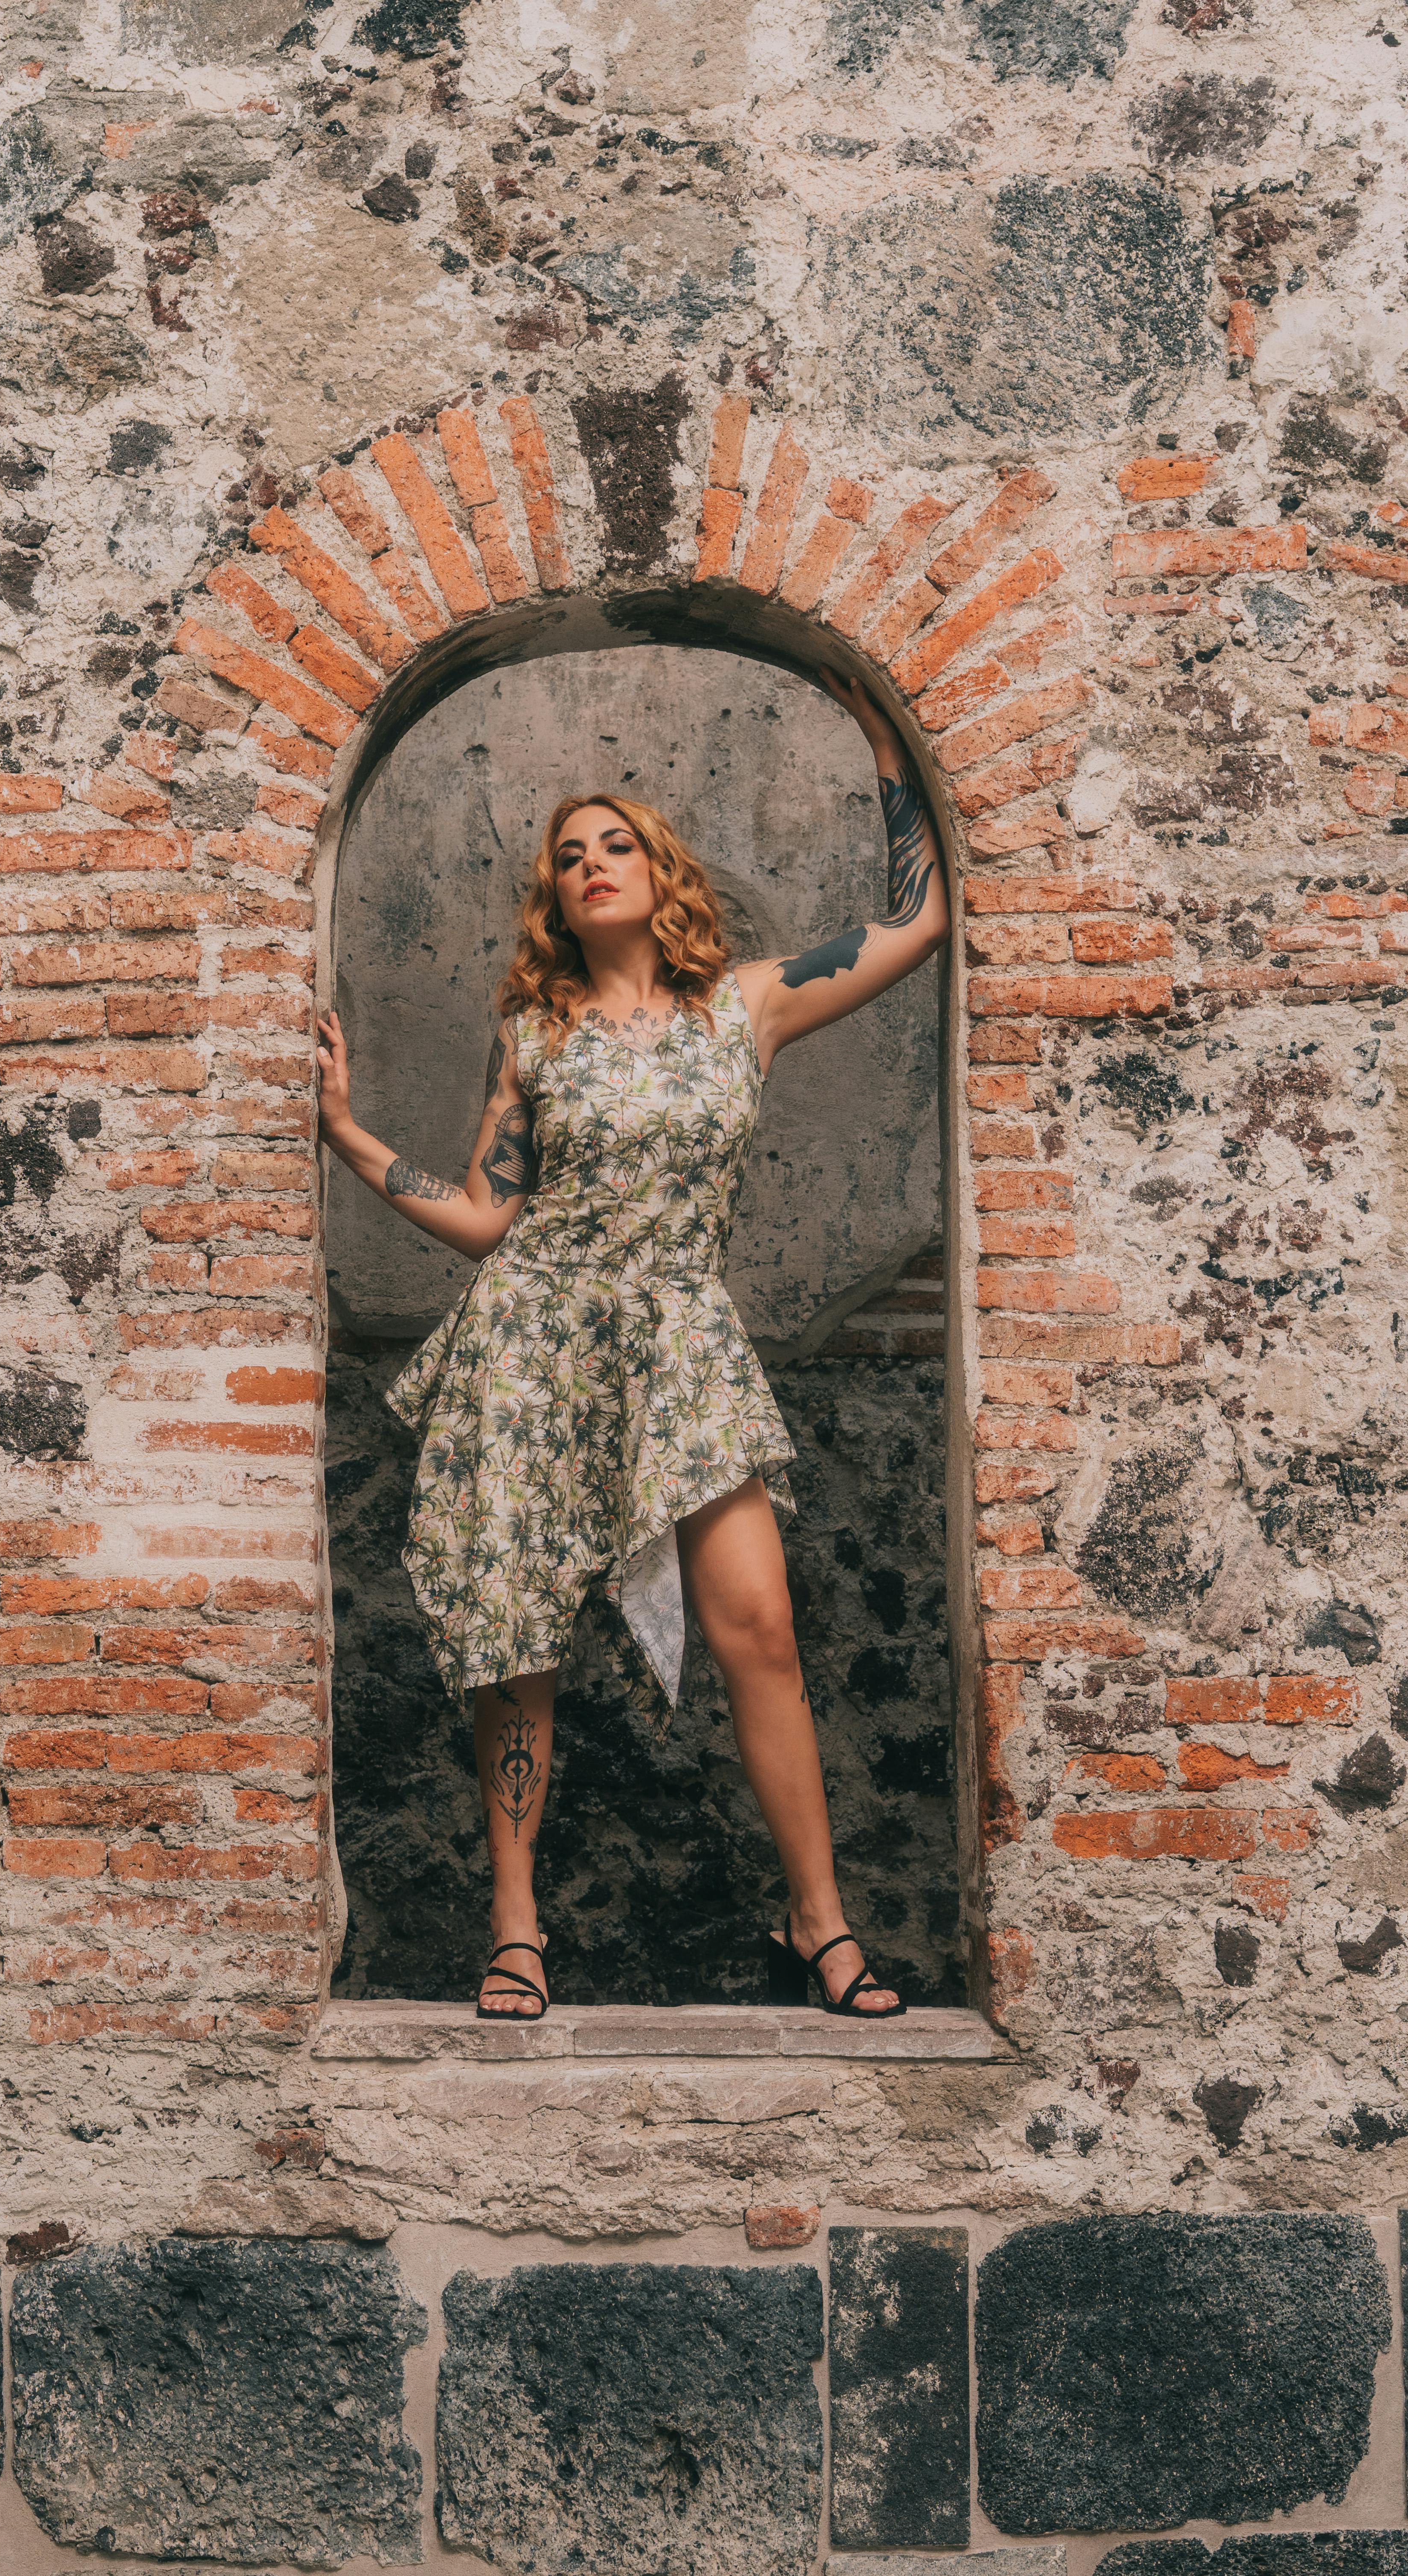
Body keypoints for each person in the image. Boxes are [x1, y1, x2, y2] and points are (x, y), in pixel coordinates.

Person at [317, 668, 950, 2021]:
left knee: (760, 1628)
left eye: (616, 846)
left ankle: (819, 1924)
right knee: (518, 1641)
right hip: (535, 1346)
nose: (592, 865)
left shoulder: (752, 1006)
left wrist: (890, 734)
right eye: (568, 857)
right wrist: (351, 1133)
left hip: (680, 1341)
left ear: (662, 878)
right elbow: (489, 1218)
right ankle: (516, 1927)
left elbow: (918, 920)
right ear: (553, 899)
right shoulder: (534, 1037)